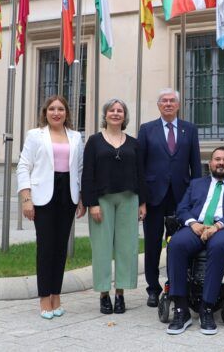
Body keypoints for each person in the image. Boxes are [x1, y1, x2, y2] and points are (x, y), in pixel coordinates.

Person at [165, 147, 224, 336]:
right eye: (217, 159)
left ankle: (207, 308)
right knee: (176, 244)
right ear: (210, 163)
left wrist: (218, 226)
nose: (221, 163)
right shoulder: (196, 183)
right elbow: (182, 208)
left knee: (218, 245)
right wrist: (193, 223)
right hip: (196, 227)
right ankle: (181, 309)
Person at [17, 95, 86, 320]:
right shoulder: (35, 135)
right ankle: (44, 298)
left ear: (67, 113)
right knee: (46, 248)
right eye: (52, 109)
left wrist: (82, 198)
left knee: (60, 248)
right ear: (45, 112)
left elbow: (81, 168)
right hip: (43, 196)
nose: (57, 113)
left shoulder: (76, 137)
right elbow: (24, 166)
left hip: (68, 195)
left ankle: (57, 295)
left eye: (61, 109)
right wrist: (26, 198)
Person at [82, 98, 147, 315]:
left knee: (126, 247)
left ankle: (120, 293)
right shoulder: (94, 141)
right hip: (102, 200)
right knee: (101, 248)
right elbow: (88, 174)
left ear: (124, 116)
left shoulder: (134, 143)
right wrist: (91, 203)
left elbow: (141, 174)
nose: (116, 113)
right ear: (105, 114)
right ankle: (103, 294)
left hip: (129, 198)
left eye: (120, 110)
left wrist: (143, 203)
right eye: (112, 110)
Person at [138, 88, 202, 308]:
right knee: (153, 244)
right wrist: (142, 200)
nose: (168, 104)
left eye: (172, 100)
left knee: (180, 242)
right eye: (164, 101)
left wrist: (198, 199)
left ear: (178, 105)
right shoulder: (147, 130)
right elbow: (140, 167)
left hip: (182, 198)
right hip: (154, 197)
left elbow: (196, 166)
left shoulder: (190, 130)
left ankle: (177, 284)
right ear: (158, 105)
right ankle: (153, 289)